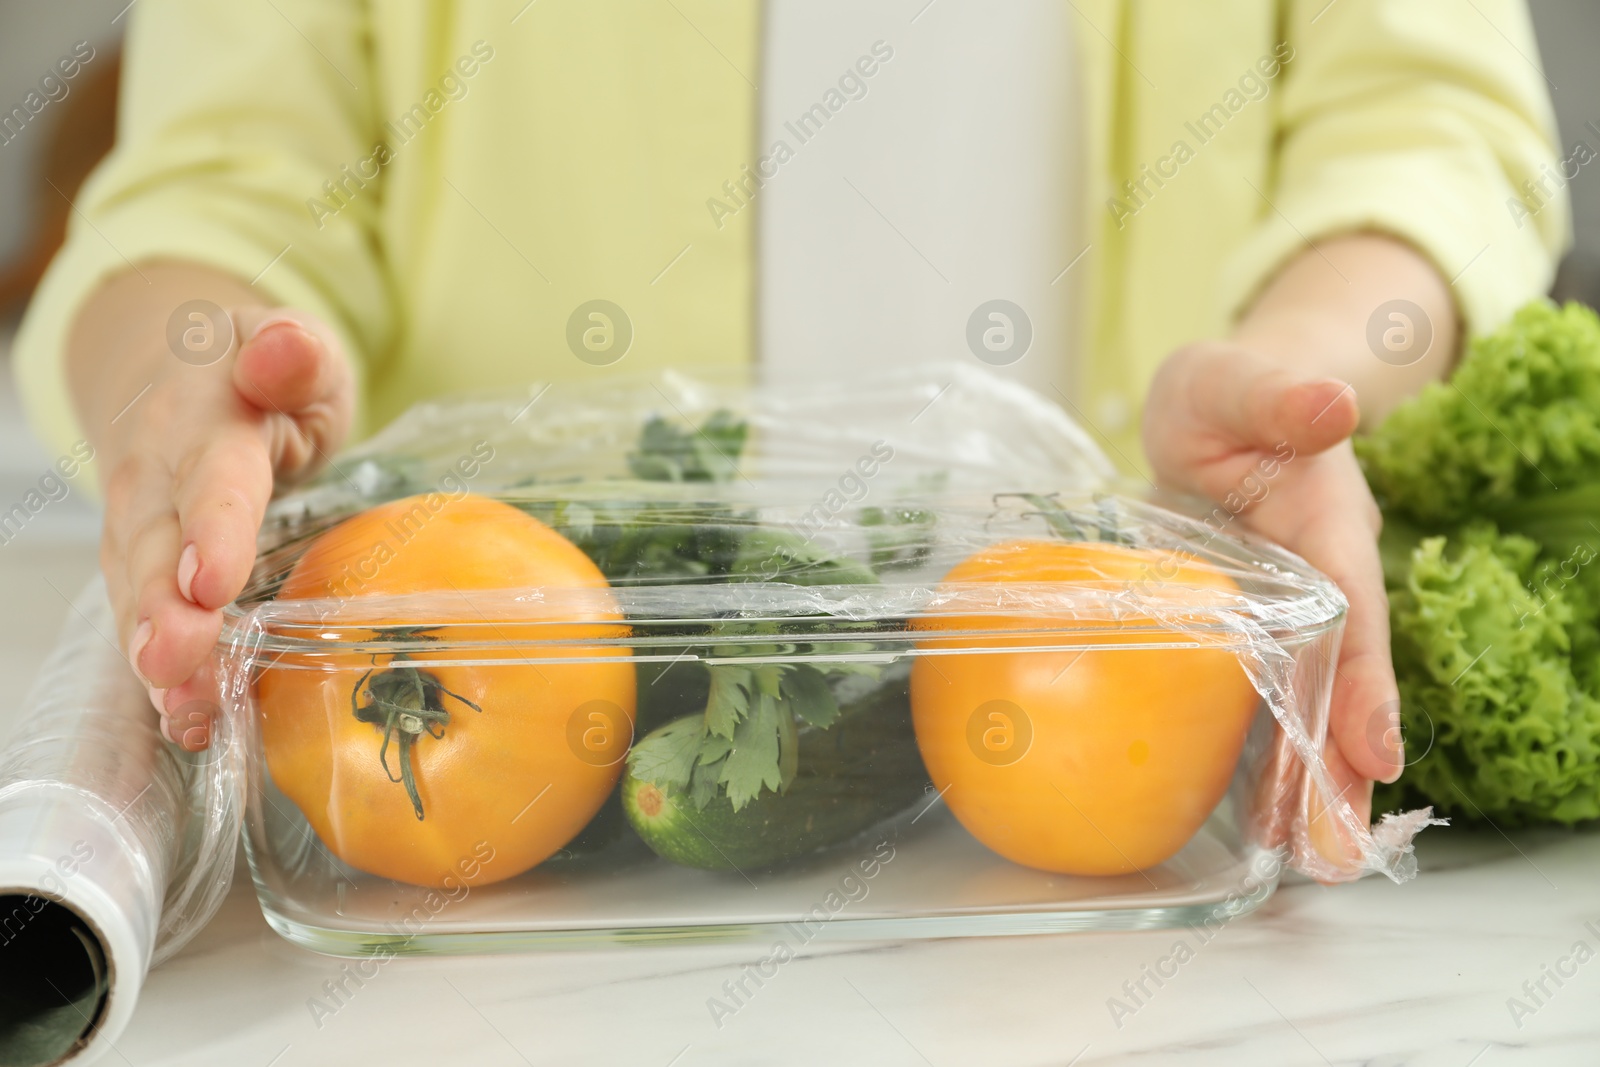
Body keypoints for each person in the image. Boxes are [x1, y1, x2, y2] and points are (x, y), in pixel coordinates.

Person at [12, 0, 1568, 835]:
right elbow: (220, 176)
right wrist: (193, 373)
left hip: (1137, 746)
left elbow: (1427, 126)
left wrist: (1304, 370)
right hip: (488, 802)